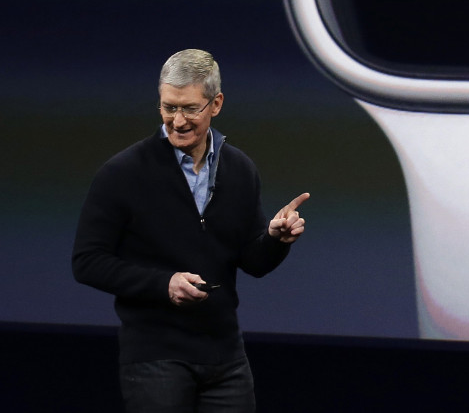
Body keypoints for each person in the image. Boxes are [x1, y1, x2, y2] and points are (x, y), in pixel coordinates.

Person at [73, 49, 310, 411]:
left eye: (190, 109)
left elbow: (253, 261)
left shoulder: (240, 169)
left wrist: (275, 239)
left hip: (226, 358)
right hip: (155, 357)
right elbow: (87, 261)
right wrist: (163, 284)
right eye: (169, 108)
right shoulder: (122, 173)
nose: (178, 121)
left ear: (216, 104)